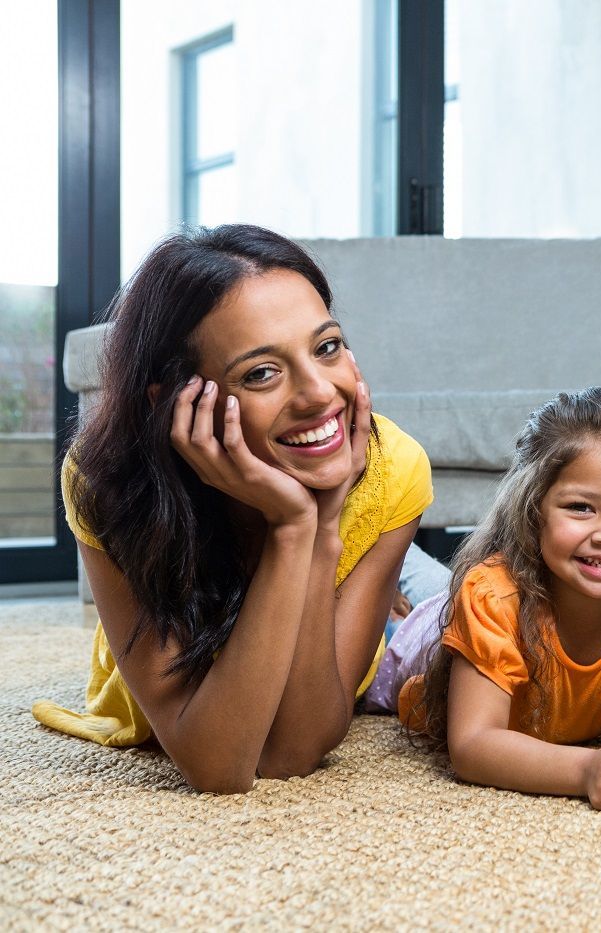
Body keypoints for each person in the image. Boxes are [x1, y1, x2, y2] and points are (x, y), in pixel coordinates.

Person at [31, 225, 441, 793]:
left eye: (327, 347)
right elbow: (220, 764)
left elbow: (296, 749)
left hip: (358, 531)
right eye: (261, 373)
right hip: (236, 541)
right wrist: (294, 526)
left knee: (472, 609)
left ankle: (404, 594)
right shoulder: (108, 481)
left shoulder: (392, 465)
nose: (320, 393)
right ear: (175, 399)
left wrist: (320, 530)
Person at [391, 388, 601, 812]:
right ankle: (393, 557)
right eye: (582, 507)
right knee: (396, 598)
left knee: (432, 581)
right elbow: (472, 745)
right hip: (417, 639)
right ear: (533, 514)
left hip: (466, 599)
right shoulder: (490, 595)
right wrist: (585, 769)